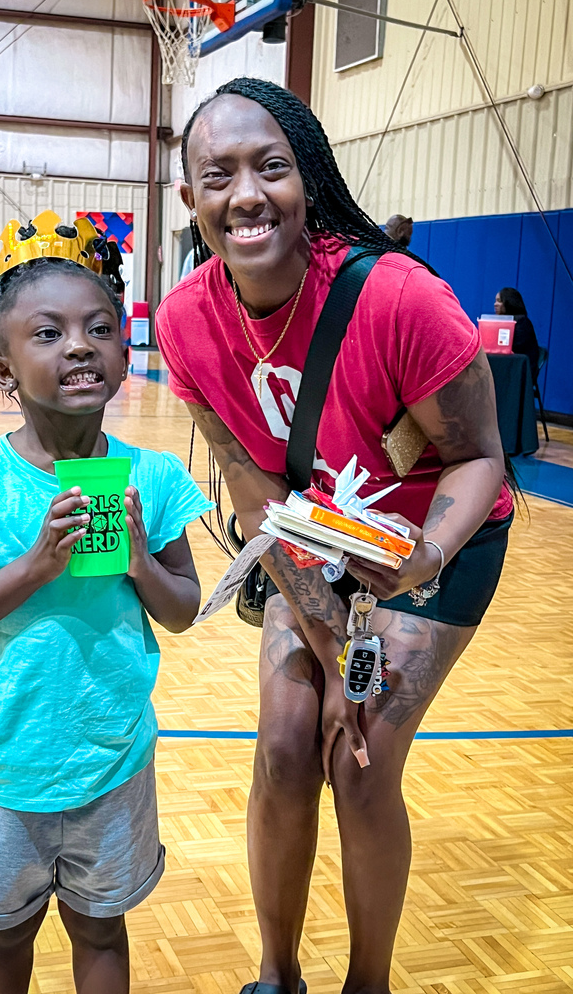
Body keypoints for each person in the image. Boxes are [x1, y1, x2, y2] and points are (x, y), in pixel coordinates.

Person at [155, 77, 513, 994]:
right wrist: (321, 625)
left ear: (306, 179)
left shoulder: (400, 299)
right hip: (309, 533)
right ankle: (276, 975)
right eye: (217, 176)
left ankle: (370, 984)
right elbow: (250, 481)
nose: (245, 194)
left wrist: (421, 556)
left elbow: (479, 458)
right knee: (284, 749)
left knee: (358, 764)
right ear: (191, 200)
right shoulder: (186, 320)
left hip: (436, 544)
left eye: (270, 167)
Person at [0, 214, 213, 994]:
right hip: (0, 767)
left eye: (100, 328)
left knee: (102, 930)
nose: (79, 345)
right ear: (0, 365)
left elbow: (180, 610)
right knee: (5, 936)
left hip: (111, 760)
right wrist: (35, 568)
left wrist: (141, 560)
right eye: (47, 333)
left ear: (124, 349)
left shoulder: (154, 475)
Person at [494, 286, 540, 380]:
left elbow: (512, 349)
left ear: (509, 302)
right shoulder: (498, 323)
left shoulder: (523, 324)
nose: (495, 304)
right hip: (505, 367)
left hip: (520, 372)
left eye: (499, 301)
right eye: (495, 301)